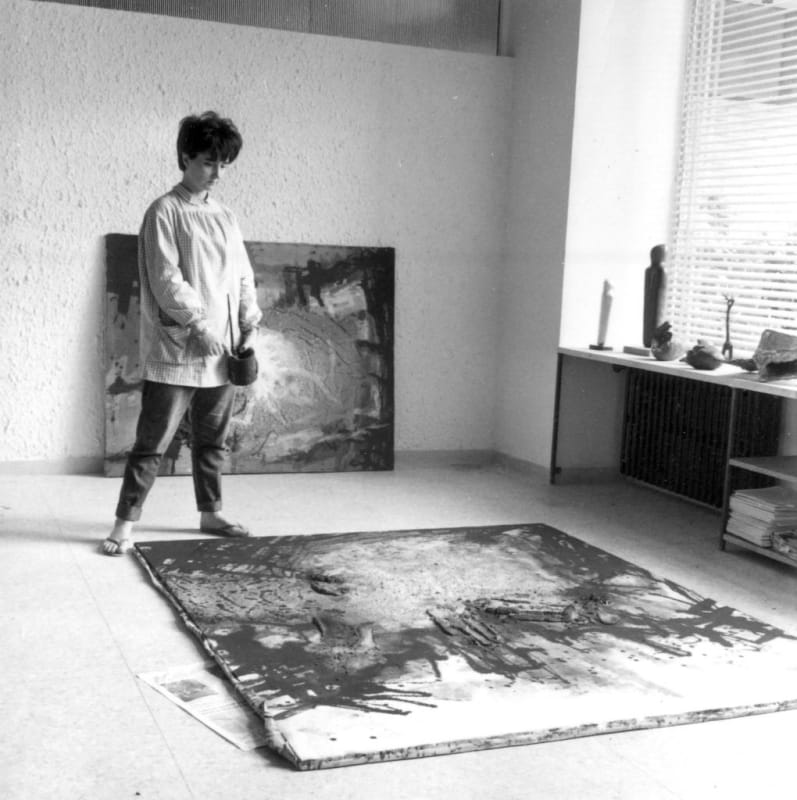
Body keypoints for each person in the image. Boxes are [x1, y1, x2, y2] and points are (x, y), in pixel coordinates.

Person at [102, 111, 262, 556]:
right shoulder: (164, 212)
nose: (216, 173)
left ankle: (210, 511)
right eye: (209, 162)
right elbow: (166, 279)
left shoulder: (226, 216)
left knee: (213, 439)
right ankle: (123, 525)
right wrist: (199, 325)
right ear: (185, 157)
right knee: (152, 443)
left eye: (223, 165)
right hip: (180, 348)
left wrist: (247, 319)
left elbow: (242, 274)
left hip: (222, 349)